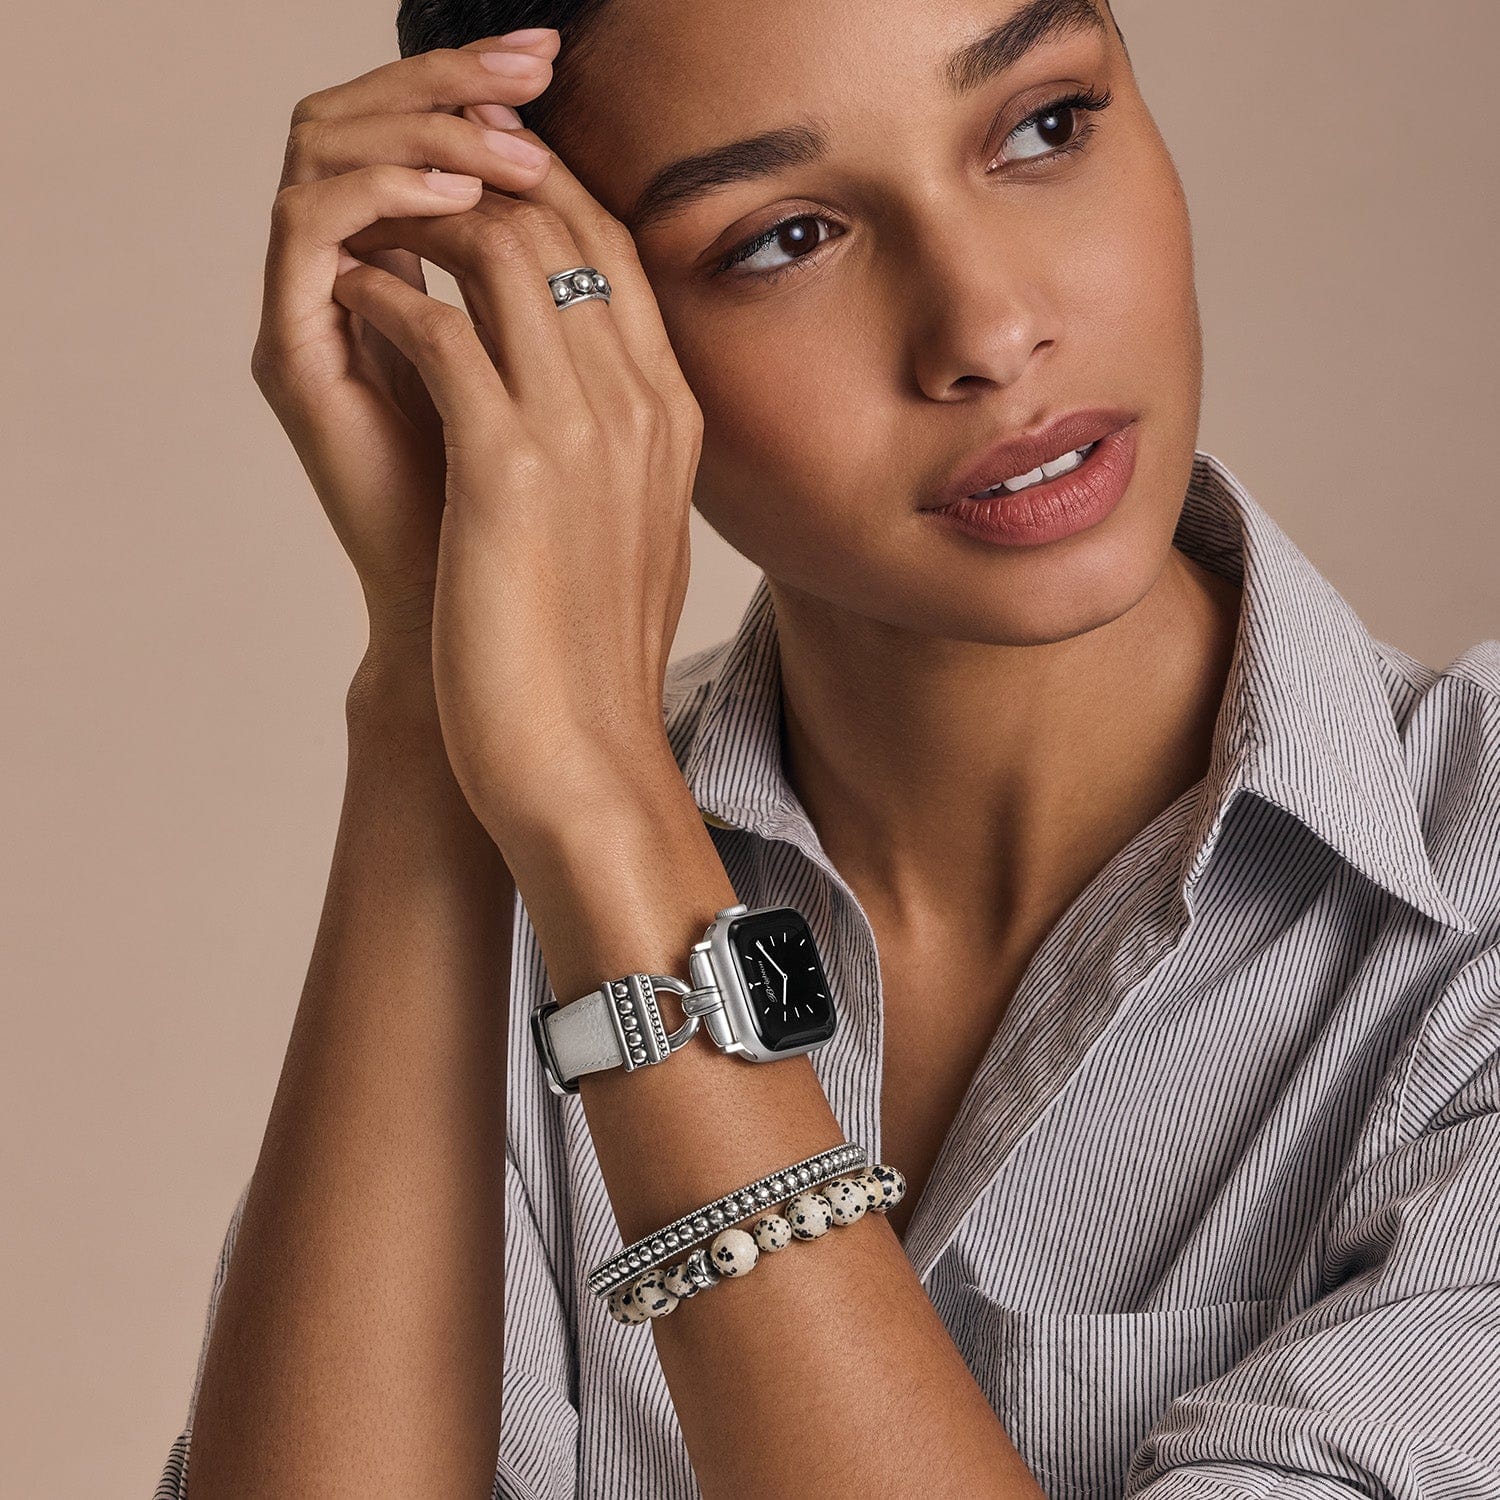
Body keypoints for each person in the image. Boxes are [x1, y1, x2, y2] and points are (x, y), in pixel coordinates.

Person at [157, 3, 1500, 1497]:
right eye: (784, 238)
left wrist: (611, 832)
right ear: (569, 324)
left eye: (1044, 126)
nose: (990, 332)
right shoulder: (520, 880)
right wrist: (425, 691)